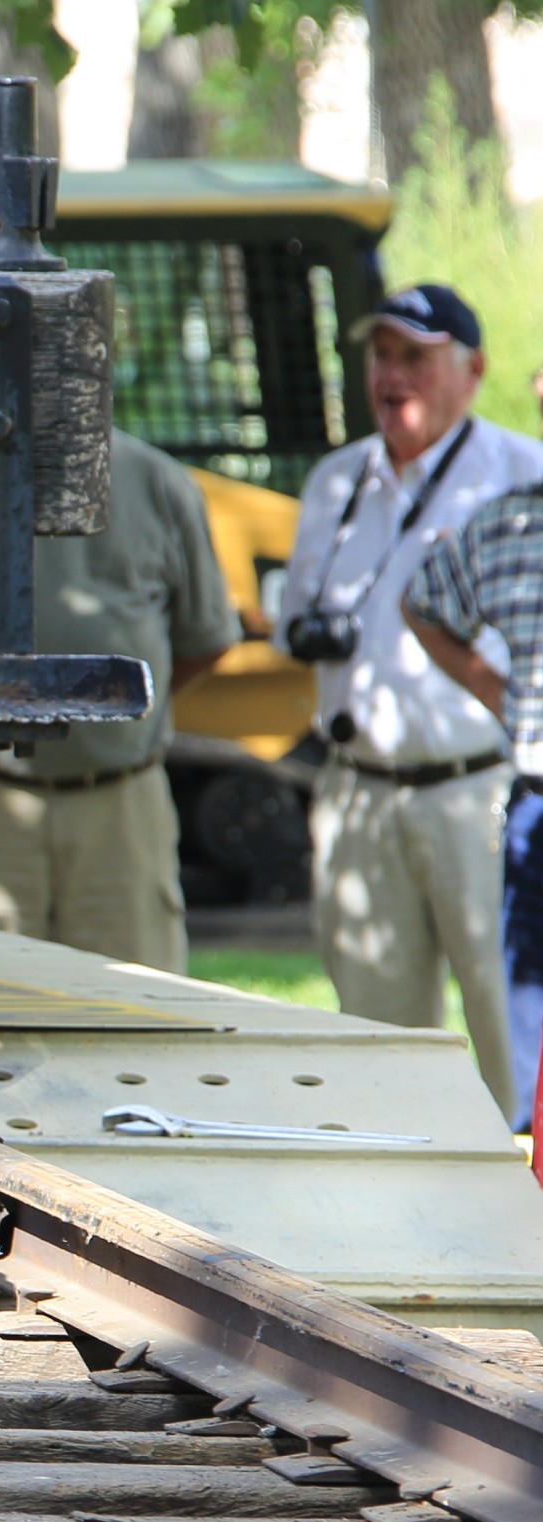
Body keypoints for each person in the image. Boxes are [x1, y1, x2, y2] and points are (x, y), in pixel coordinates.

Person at [276, 285, 543, 1114]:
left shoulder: (522, 470)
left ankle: (517, 1218)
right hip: (359, 785)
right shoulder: (335, 480)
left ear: (472, 371)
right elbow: (296, 624)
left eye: (415, 357)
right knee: (374, 1042)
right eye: (380, 355)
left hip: (478, 789)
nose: (393, 376)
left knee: (508, 1026)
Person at [0, 432, 237, 971]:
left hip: (120, 802)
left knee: (135, 1010)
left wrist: (120, 713)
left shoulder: (159, 481)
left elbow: (207, 638)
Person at [402, 476, 543, 1130]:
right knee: (528, 1037)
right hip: (536, 805)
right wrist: (497, 690)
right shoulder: (511, 516)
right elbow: (424, 601)